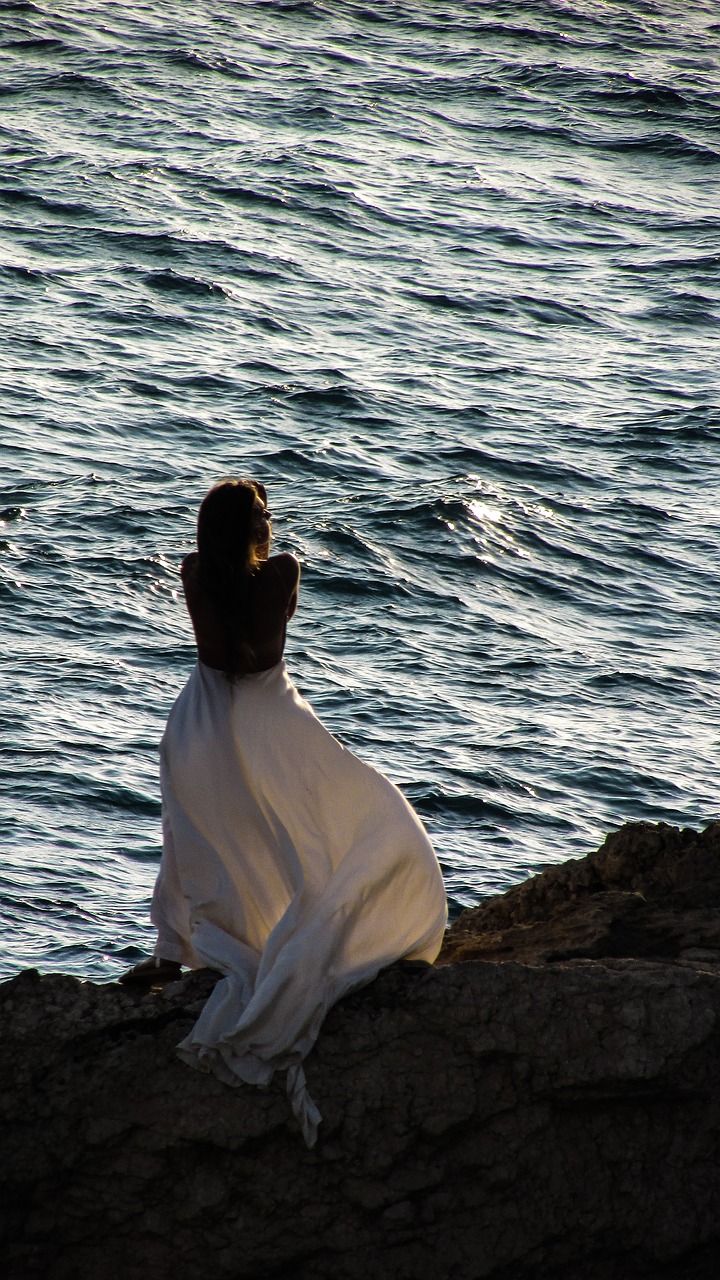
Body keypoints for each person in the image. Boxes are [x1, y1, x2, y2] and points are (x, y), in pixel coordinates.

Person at [121, 478, 447, 1145]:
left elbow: (219, 636)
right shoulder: (284, 572)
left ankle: (171, 949)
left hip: (202, 721)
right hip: (270, 716)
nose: (273, 523)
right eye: (265, 515)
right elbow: (270, 627)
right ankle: (271, 939)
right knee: (336, 826)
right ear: (253, 529)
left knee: (194, 836)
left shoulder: (192, 575)